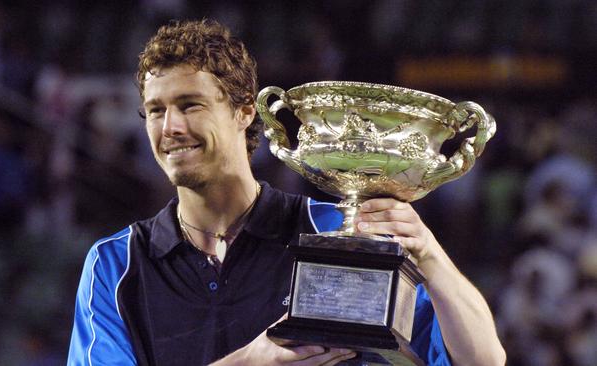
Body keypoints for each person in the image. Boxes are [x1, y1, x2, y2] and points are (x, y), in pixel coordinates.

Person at [67, 20, 506, 366]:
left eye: (190, 105)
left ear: (244, 112)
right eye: (155, 111)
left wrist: (428, 254)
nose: (170, 128)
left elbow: (484, 360)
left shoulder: (333, 228)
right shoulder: (115, 264)